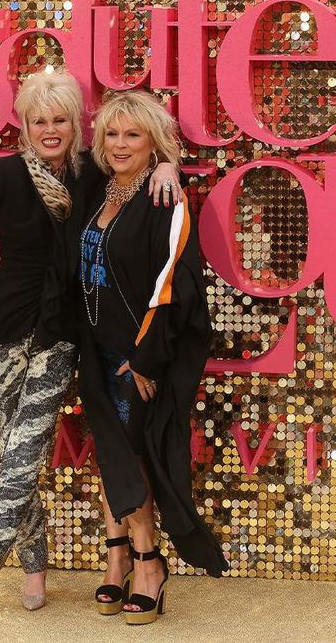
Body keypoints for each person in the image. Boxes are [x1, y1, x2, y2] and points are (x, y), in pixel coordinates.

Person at [0, 71, 181, 621]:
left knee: (25, 455)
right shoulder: (5, 174)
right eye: (39, 121)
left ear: (76, 125)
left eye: (61, 120)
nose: (50, 130)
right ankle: (35, 567)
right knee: (12, 456)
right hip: (0, 330)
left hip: (60, 332)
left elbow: (139, 164)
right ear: (25, 126)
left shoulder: (92, 175)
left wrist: (169, 164)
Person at [74, 91, 228, 626]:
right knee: (110, 454)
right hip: (94, 352)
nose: (120, 144)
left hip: (136, 356)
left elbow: (174, 286)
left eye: (133, 135)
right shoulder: (97, 189)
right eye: (112, 134)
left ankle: (148, 565)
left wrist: (145, 359)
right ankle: (117, 558)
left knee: (133, 457)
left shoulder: (164, 199)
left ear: (153, 142)